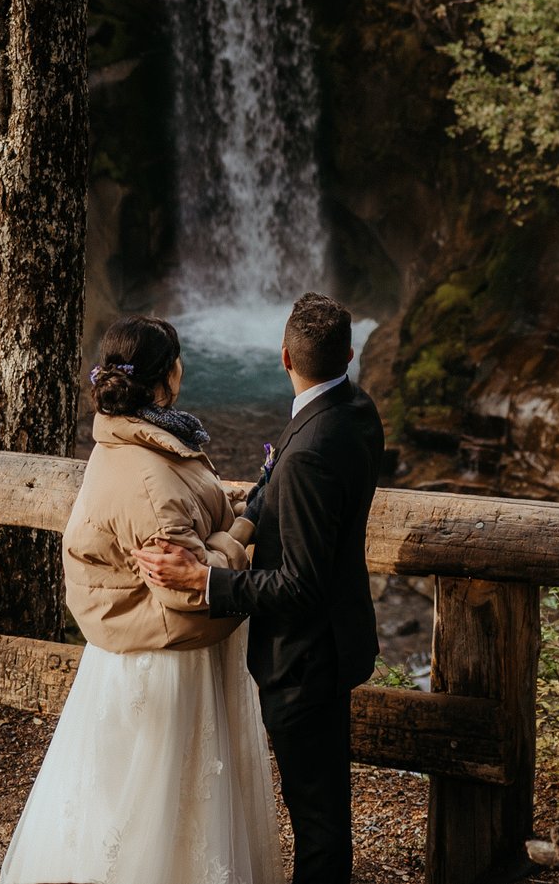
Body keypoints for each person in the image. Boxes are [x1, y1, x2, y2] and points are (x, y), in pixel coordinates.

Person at [0, 315, 279, 884]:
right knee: (158, 813)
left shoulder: (137, 433)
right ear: (168, 375)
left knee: (122, 802)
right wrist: (245, 527)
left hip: (139, 652)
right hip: (165, 667)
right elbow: (188, 592)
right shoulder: (150, 475)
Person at [135, 293, 384, 884]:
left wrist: (207, 581)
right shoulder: (357, 409)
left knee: (318, 825)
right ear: (349, 355)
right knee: (325, 811)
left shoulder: (309, 454)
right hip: (339, 637)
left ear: (283, 358)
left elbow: (298, 583)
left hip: (304, 658)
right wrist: (256, 506)